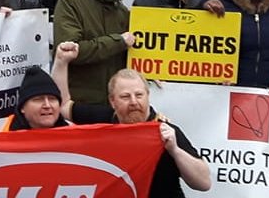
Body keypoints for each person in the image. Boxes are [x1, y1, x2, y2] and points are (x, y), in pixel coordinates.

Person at [54, 43, 212, 196]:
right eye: (125, 97)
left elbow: (203, 183)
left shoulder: (165, 131)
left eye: (139, 95)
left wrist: (175, 151)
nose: (134, 102)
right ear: (112, 101)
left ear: (148, 96)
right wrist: (61, 61)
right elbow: (63, 107)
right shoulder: (103, 119)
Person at [53, 0, 134, 105]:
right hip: (80, 104)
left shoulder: (122, 11)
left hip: (116, 105)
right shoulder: (70, 2)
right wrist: (118, 41)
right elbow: (72, 52)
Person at [0, 66, 70, 132]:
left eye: (52, 99)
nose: (47, 105)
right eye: (38, 99)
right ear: (22, 108)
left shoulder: (73, 132)